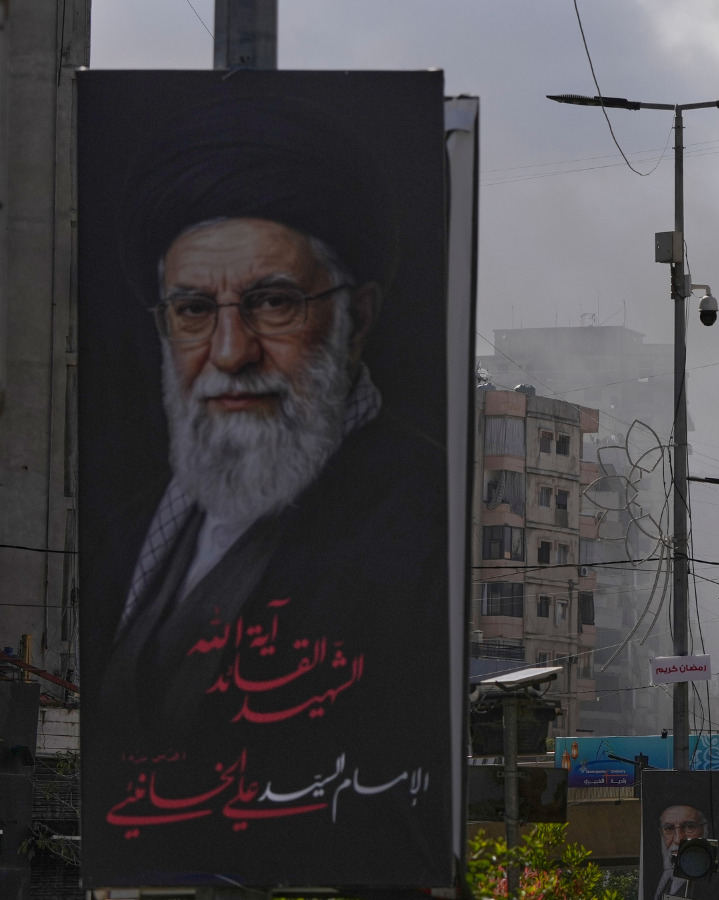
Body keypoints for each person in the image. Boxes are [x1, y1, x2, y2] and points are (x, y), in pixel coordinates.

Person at [82, 91, 449, 851]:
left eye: (273, 303)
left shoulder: (422, 523)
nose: (229, 352)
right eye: (191, 311)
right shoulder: (130, 534)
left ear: (359, 321)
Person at [654, 804, 712, 900]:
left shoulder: (713, 884)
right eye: (669, 828)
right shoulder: (663, 876)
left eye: (689, 827)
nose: (678, 839)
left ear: (706, 830)